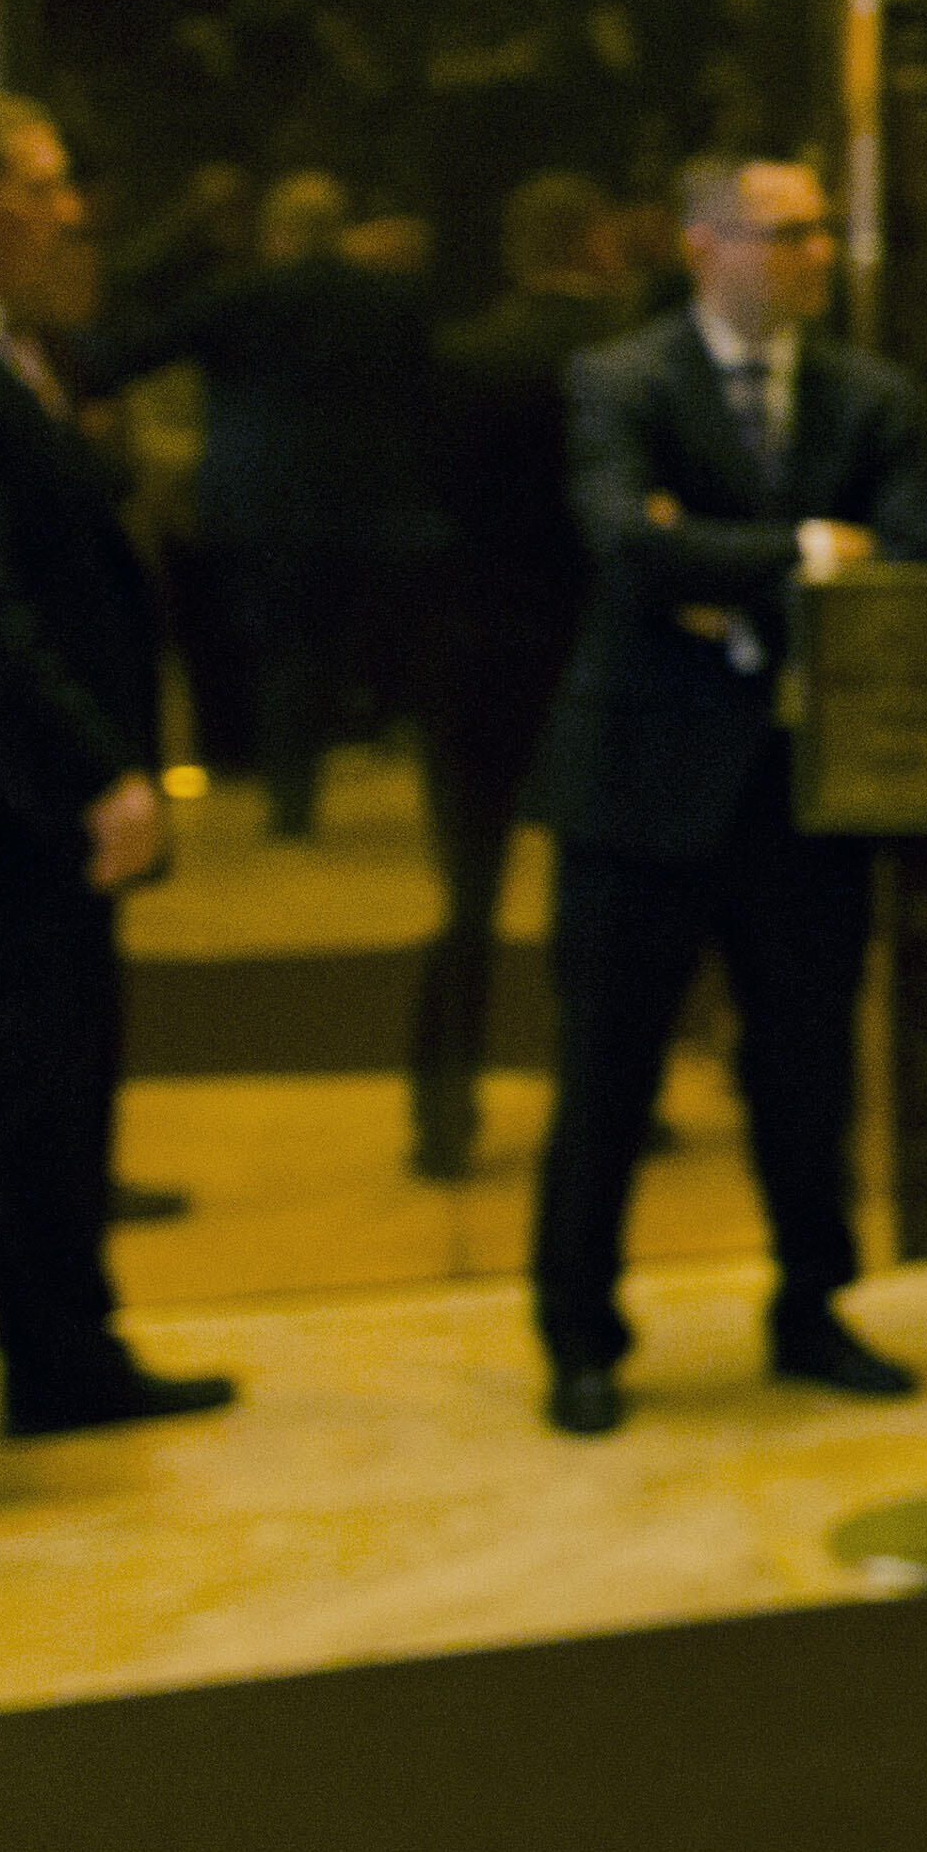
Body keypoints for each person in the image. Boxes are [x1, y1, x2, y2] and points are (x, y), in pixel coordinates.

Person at [521, 155, 927, 1436]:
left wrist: (723, 565)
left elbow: (916, 549)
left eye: (823, 231)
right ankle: (580, 1334)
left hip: (800, 790)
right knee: (608, 1075)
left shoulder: (868, 397)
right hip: (639, 790)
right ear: (706, 244)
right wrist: (816, 550)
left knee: (808, 1070)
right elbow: (629, 544)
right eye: (785, 232)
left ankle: (811, 1307)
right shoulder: (624, 380)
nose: (814, 253)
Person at [0, 91, 238, 1437]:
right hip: (11, 811)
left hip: (29, 803)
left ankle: (65, 1353)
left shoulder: (21, 350)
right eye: (37, 183)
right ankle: (61, 1353)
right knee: (22, 1089)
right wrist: (93, 772)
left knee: (56, 1091)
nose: (62, 212)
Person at [88, 166, 442, 837]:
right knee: (376, 647)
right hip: (374, 503)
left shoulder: (242, 297)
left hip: (265, 503)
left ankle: (290, 801)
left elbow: (132, 350)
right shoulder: (392, 300)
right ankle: (410, 782)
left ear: (277, 232)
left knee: (282, 651)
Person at [403, 172, 627, 1181]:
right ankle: (609, 1095)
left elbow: (425, 508)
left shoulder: (460, 359)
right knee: (602, 892)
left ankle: (441, 1106)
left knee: (470, 894)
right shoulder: (618, 360)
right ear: (594, 241)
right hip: (586, 648)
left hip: (470, 651)